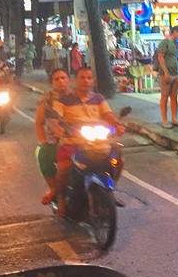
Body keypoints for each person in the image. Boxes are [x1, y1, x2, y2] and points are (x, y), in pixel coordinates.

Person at [53, 67, 125, 216]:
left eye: (89, 78)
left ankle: (110, 189)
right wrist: (58, 128)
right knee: (64, 168)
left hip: (98, 140)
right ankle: (61, 200)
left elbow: (108, 115)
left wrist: (117, 125)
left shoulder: (98, 98)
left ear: (93, 81)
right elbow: (56, 118)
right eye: (82, 77)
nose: (86, 80)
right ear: (75, 80)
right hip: (72, 141)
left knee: (118, 160)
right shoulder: (63, 100)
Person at [34, 68, 70, 205]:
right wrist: (43, 141)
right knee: (42, 154)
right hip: (55, 141)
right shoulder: (46, 100)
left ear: (68, 80)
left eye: (63, 78)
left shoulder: (76, 97)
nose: (61, 81)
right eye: (57, 79)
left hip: (80, 138)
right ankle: (54, 189)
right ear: (52, 83)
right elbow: (39, 123)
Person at [156, 25, 178, 129]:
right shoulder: (165, 42)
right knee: (164, 96)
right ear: (174, 32)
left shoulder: (176, 44)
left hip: (175, 73)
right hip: (166, 74)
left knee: (174, 96)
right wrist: (166, 72)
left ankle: (174, 119)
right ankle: (164, 120)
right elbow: (160, 57)